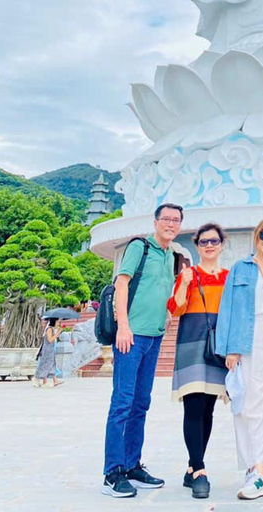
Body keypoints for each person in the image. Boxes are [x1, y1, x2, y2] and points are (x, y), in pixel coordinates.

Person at [101, 203, 182, 498]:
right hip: (131, 338)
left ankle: (132, 464)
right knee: (122, 403)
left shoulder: (171, 254)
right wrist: (123, 325)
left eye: (176, 220)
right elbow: (121, 284)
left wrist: (167, 315)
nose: (170, 224)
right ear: (156, 221)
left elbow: (162, 290)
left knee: (140, 404)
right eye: (166, 219)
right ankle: (113, 472)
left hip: (154, 337)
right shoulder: (140, 247)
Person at [215, 218, 263, 500]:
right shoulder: (241, 268)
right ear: (256, 237)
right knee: (250, 403)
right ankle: (255, 469)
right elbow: (228, 308)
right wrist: (230, 348)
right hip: (249, 336)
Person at [167, 223, 229, 499]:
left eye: (214, 241)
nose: (209, 246)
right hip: (191, 343)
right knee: (193, 406)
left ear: (222, 245)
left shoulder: (229, 276)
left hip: (217, 347)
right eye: (204, 242)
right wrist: (185, 283)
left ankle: (192, 467)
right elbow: (176, 307)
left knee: (208, 410)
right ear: (196, 245)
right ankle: (200, 470)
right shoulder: (189, 274)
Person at [32, 318, 64, 388]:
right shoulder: (49, 329)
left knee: (50, 365)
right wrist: (58, 333)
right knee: (45, 365)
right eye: (58, 322)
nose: (58, 324)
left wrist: (58, 333)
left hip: (50, 350)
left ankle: (50, 381)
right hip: (47, 351)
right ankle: (41, 380)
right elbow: (50, 340)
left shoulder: (52, 329)